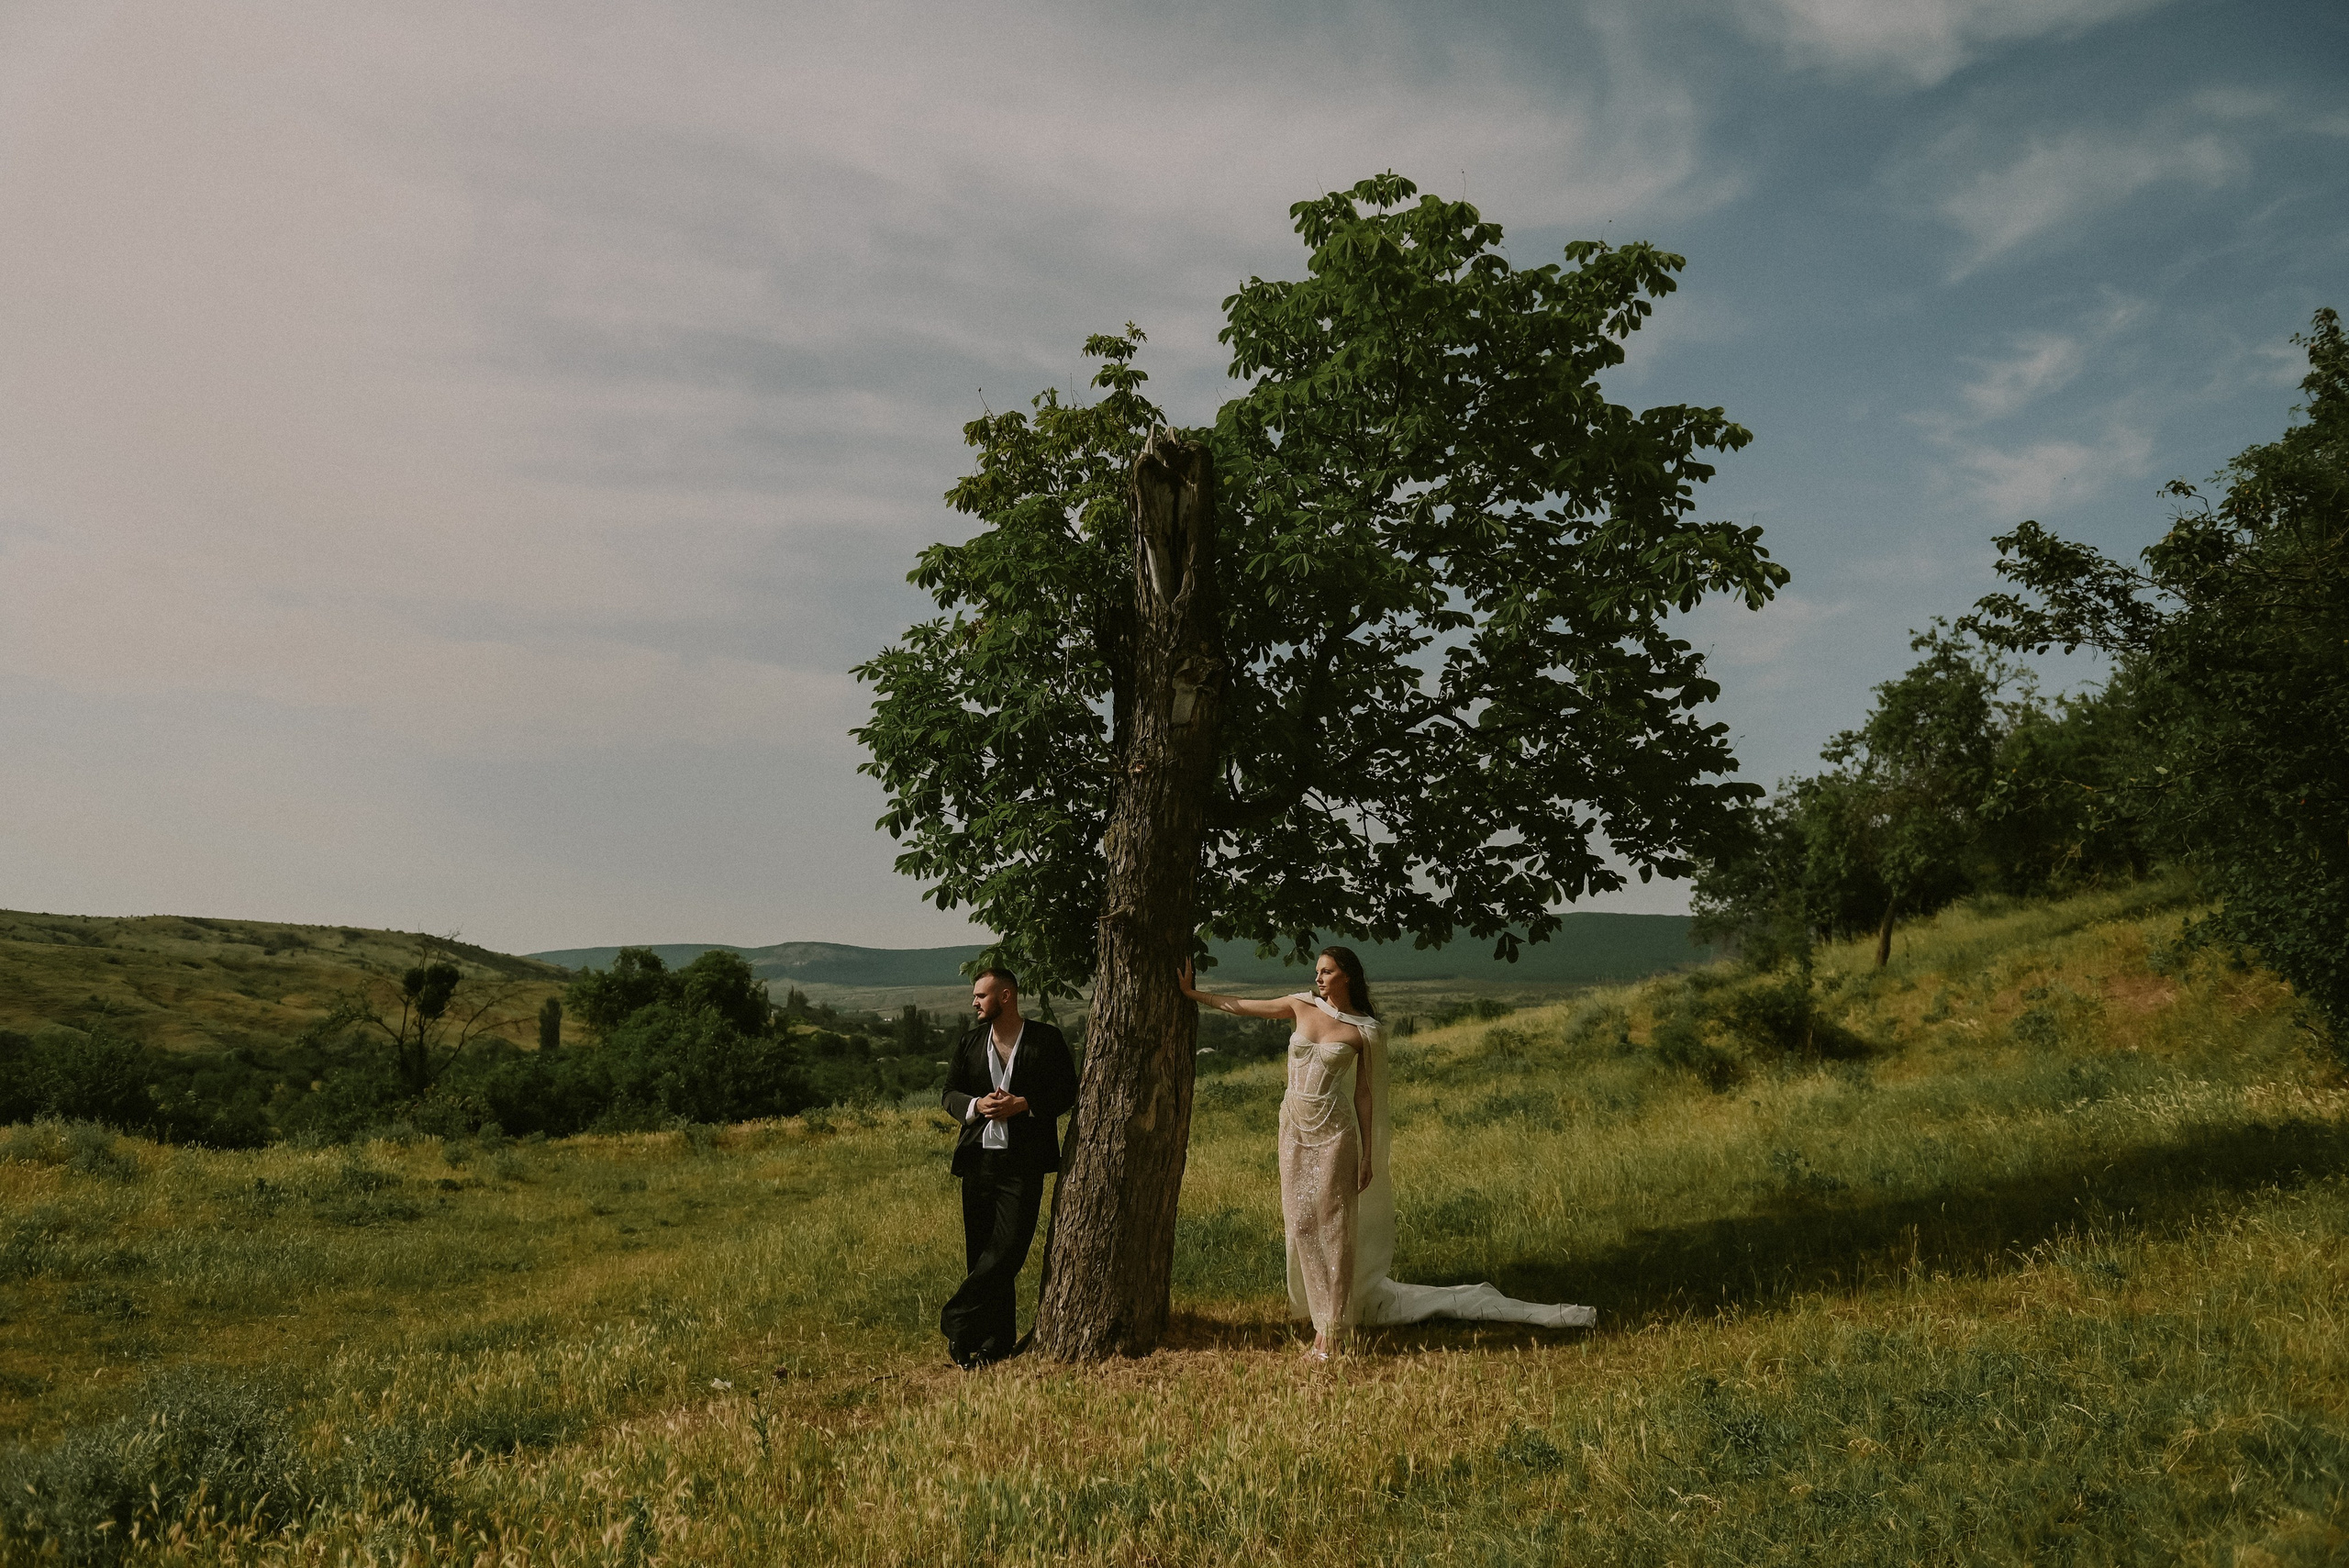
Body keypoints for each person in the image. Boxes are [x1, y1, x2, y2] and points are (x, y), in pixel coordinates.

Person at [1180, 945, 1596, 1360]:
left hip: (1335, 1133)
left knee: (1335, 1229)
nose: (1318, 978)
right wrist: (1194, 994)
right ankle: (1322, 1315)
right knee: (1302, 1224)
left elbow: (1365, 1095)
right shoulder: (1300, 1005)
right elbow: (1244, 1007)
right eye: (1317, 971)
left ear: (1347, 976)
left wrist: (1367, 1155)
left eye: (1327, 971)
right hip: (1292, 1129)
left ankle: (1333, 1331)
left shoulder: (1366, 1031)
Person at [938, 966, 1079, 1369]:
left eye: (980, 996)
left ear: (1006, 996)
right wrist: (976, 1105)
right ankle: (992, 1342)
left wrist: (1024, 1104)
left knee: (1008, 1250)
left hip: (1024, 1163)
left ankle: (956, 1319)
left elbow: (1067, 1091)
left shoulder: (1045, 1039)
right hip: (977, 1160)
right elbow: (949, 1093)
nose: (974, 1003)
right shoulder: (969, 1042)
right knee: (981, 1252)